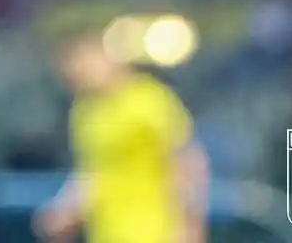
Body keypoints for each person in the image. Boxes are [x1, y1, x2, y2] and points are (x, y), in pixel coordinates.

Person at [33, 33, 209, 243]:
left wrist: (190, 225)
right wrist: (65, 210)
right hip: (107, 233)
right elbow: (91, 174)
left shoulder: (149, 100)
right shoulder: (84, 112)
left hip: (155, 231)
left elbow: (186, 162)